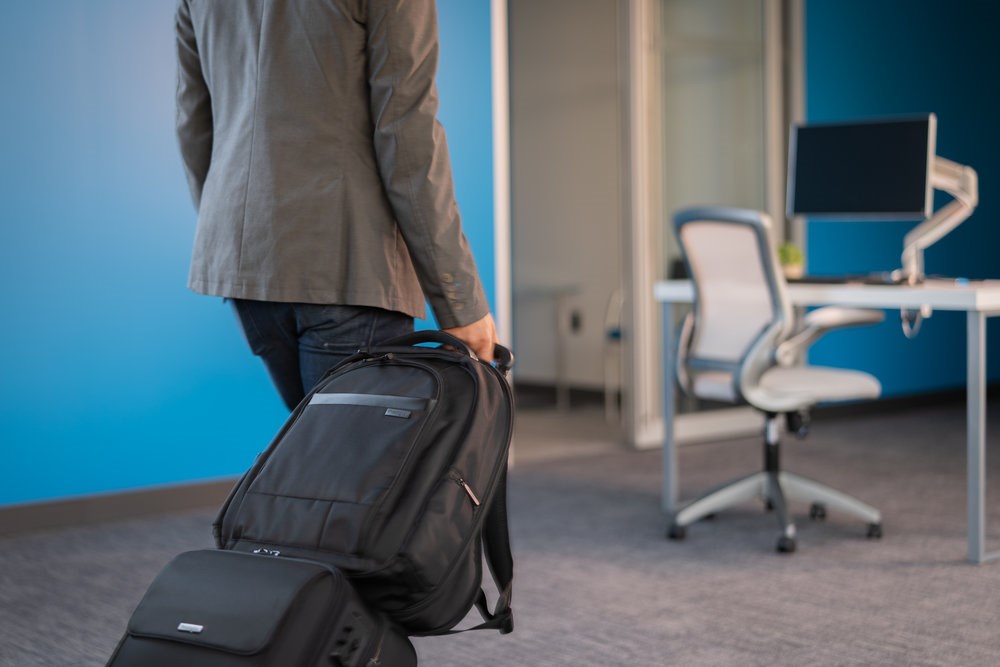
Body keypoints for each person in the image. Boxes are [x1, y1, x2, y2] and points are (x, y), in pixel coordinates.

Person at [174, 0, 498, 410]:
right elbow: (407, 135)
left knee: (322, 454)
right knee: (354, 465)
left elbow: (193, 124)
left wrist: (232, 236)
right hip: (348, 270)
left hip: (250, 271)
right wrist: (459, 301)